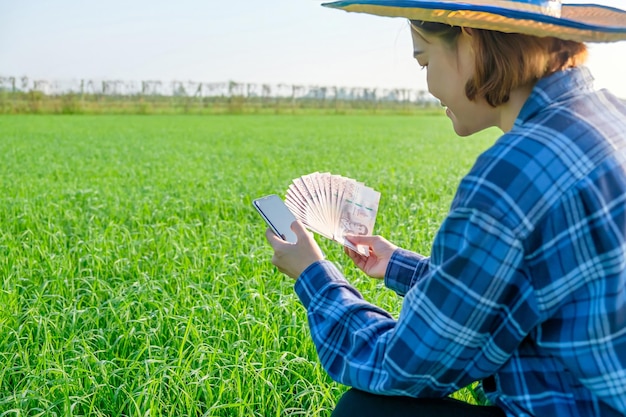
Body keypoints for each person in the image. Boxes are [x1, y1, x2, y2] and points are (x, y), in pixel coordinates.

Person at [264, 1, 626, 416]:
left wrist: (314, 276)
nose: (428, 85)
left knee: (364, 412)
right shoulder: (613, 117)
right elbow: (516, 291)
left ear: (470, 41)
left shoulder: (514, 173)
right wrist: (397, 264)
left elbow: (403, 366)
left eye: (424, 61)